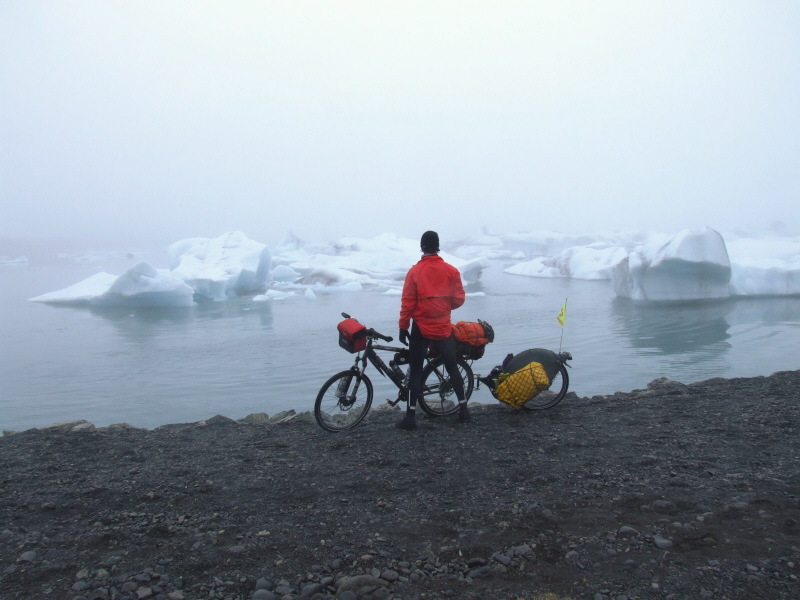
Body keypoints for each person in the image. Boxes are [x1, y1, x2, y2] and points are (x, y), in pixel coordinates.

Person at [396, 230, 470, 430]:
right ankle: (464, 410)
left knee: (416, 369)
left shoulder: (415, 272)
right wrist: (444, 308)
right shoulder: (451, 271)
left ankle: (410, 417)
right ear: (437, 246)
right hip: (444, 327)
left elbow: (408, 303)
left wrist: (403, 327)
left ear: (422, 247)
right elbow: (459, 299)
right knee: (452, 366)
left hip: (420, 327)